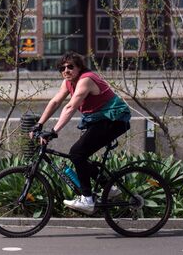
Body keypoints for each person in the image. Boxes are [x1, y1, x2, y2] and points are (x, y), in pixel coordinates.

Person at [29, 52, 131, 214]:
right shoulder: (69, 82)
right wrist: (39, 124)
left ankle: (87, 200)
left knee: (77, 153)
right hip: (99, 120)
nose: (66, 70)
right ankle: (108, 187)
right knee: (79, 155)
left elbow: (70, 107)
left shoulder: (86, 80)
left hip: (114, 120)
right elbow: (55, 101)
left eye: (70, 67)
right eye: (62, 68)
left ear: (79, 67)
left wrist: (54, 131)